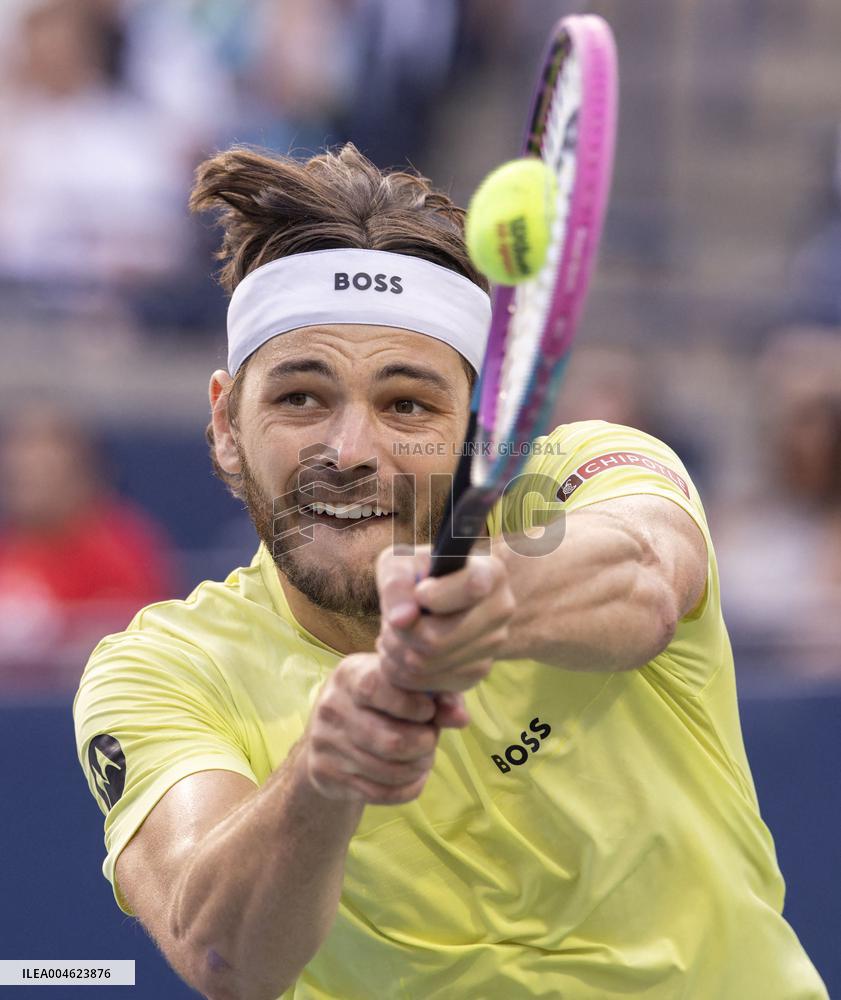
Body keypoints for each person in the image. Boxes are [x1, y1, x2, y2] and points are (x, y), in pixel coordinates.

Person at [73, 144, 828, 999]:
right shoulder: (161, 669)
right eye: (300, 398)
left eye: (407, 404)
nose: (349, 451)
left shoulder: (586, 470)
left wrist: (478, 605)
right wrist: (322, 777)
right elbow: (222, 958)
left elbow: (646, 571)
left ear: (480, 428)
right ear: (223, 422)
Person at [0, 404, 176, 684]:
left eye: (45, 475)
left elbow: (140, 641)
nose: (29, 489)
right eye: (20, 479)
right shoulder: (10, 547)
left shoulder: (121, 547)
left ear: (80, 476)